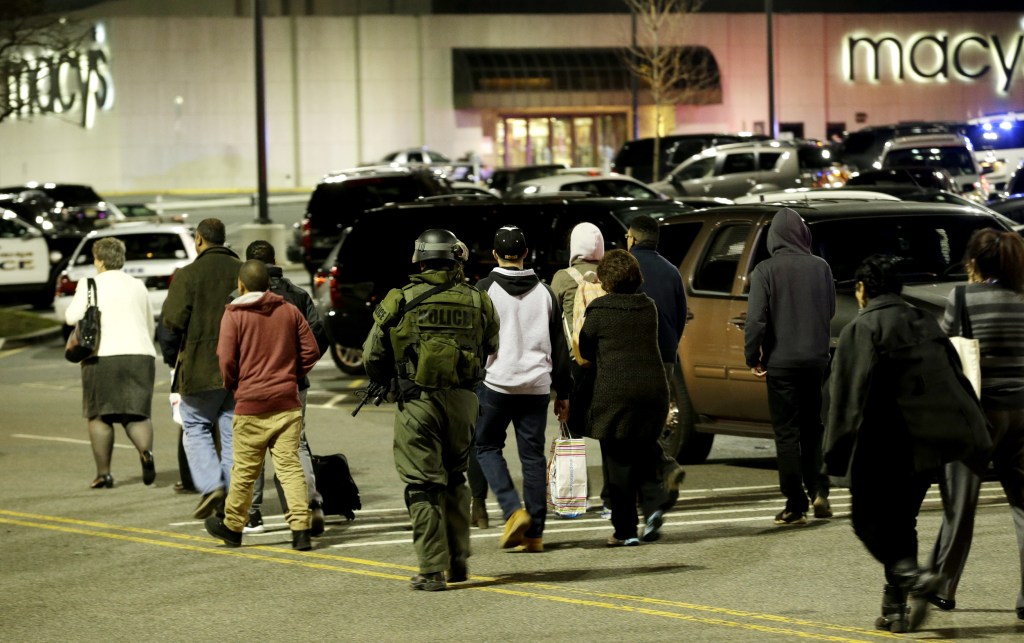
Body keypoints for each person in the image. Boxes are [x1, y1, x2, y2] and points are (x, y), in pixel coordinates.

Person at [824, 254, 991, 633]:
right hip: (924, 448)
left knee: (866, 521)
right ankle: (896, 610)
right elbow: (955, 379)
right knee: (903, 523)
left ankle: (913, 577)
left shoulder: (862, 328)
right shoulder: (924, 322)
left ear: (863, 290)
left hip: (880, 446)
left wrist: (834, 455)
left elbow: (847, 397)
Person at [362, 229, 499, 591]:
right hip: (464, 401)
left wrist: (390, 378)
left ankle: (431, 569)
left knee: (423, 486)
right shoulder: (477, 299)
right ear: (456, 259)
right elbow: (491, 343)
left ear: (420, 260)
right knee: (456, 478)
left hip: (418, 401)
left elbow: (372, 355)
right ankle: (458, 562)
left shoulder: (400, 299)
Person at [925, 229, 1024, 621]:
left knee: (960, 504)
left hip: (978, 413)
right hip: (1023, 410)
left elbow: (946, 351)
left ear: (976, 262)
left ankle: (943, 587)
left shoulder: (963, 297)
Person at [204, 260, 321, 550]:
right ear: (268, 285)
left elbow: (226, 359)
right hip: (286, 402)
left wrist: (235, 384)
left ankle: (233, 527)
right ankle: (300, 530)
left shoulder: (234, 316)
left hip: (251, 404)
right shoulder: (288, 310)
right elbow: (311, 350)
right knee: (290, 467)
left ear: (241, 285)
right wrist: (292, 375)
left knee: (245, 470)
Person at [474, 225, 572, 553]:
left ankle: (512, 510)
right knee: (532, 457)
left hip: (497, 383)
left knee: (486, 446)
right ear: (526, 253)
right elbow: (560, 346)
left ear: (495, 254)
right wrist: (564, 392)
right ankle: (535, 535)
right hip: (537, 385)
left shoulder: (485, 289)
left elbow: (476, 342)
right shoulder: (545, 292)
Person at [744, 207, 835, 525]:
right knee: (813, 429)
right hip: (815, 361)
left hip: (781, 363)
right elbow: (831, 310)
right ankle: (820, 490)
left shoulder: (765, 271)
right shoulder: (821, 267)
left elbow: (755, 320)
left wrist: (751, 354)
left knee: (786, 434)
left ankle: (795, 503)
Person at [577, 249, 670, 546]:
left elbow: (586, 348)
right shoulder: (648, 307)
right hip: (652, 390)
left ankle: (625, 530)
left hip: (614, 394)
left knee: (618, 462)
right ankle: (655, 506)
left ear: (606, 279)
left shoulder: (600, 310)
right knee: (644, 450)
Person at [240, 240, 329, 536]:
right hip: (293, 383)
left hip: (252, 384)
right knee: (296, 444)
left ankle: (252, 515)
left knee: (253, 446)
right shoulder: (297, 296)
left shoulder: (240, 298)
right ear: (275, 260)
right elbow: (317, 338)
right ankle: (309, 503)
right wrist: (298, 370)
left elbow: (228, 348)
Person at [162, 218, 242, 519]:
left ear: (199, 240)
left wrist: (172, 358)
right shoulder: (242, 270)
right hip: (240, 367)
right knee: (232, 430)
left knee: (194, 425)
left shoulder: (188, 275)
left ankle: (212, 486)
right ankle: (234, 494)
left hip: (200, 366)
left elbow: (172, 322)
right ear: (224, 239)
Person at [65, 237, 157, 489]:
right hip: (141, 354)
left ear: (99, 260)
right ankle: (146, 452)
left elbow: (71, 316)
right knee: (137, 413)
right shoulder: (138, 285)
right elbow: (149, 324)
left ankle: (104, 474)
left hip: (102, 356)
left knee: (99, 415)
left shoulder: (90, 283)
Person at [626, 215, 689, 507]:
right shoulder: (672, 271)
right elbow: (680, 316)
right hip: (665, 356)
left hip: (634, 357)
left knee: (632, 426)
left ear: (633, 239)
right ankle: (657, 481)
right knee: (654, 423)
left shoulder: (626, 268)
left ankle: (650, 484)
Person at [550, 222, 608, 515]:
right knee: (610, 429)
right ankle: (612, 499)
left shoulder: (562, 278)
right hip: (607, 361)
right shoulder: (611, 274)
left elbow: (552, 318)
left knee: (572, 429)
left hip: (575, 363)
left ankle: (573, 500)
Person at [155, 311, 195, 494]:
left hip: (188, 364)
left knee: (192, 424)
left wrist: (173, 361)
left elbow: (168, 331)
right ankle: (223, 479)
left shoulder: (183, 286)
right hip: (223, 364)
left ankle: (196, 480)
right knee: (225, 427)